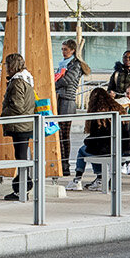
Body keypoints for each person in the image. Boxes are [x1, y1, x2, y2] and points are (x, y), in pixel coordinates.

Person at [68, 87, 118, 191]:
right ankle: (99, 179)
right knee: (92, 149)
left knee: (84, 150)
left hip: (104, 149)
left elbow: (95, 139)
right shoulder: (117, 110)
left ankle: (78, 179)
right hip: (118, 148)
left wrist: (86, 141)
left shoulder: (98, 116)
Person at [0, 53, 35, 201]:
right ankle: (22, 187)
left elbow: (18, 106)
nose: (6, 68)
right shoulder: (27, 79)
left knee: (20, 157)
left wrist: (3, 113)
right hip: (25, 123)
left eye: (7, 65)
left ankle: (22, 189)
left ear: (12, 65)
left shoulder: (17, 82)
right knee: (22, 156)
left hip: (19, 125)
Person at [54, 40, 89, 172]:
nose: (63, 52)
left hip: (67, 100)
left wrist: (53, 84)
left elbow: (68, 80)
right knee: (59, 133)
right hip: (59, 99)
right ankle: (60, 163)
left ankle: (65, 164)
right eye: (62, 49)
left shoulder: (75, 64)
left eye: (66, 49)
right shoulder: (63, 63)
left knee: (64, 134)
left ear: (73, 50)